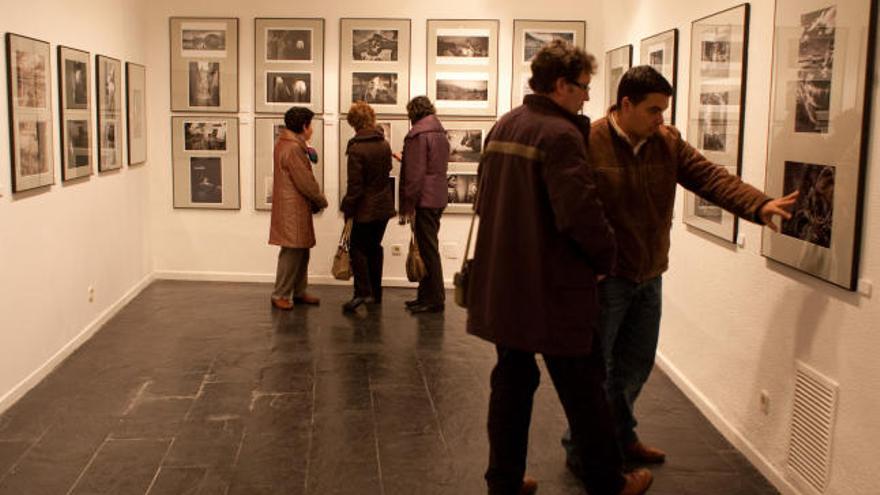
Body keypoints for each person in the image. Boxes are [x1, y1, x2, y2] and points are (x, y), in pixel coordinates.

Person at [560, 65, 798, 468]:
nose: (661, 120)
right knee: (595, 370)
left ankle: (621, 436)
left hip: (649, 273)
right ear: (626, 104)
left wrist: (758, 204)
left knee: (634, 365)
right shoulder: (588, 141)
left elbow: (710, 177)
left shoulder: (667, 143)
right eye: (654, 110)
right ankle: (585, 451)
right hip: (606, 278)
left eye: (664, 111)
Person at [467, 40, 653, 495]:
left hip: (507, 285)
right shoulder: (561, 135)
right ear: (560, 85)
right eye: (583, 87)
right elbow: (579, 214)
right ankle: (608, 481)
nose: (588, 97)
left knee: (511, 382)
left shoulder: (506, 125)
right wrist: (605, 259)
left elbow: (485, 200)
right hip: (553, 289)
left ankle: (504, 481)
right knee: (584, 390)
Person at [268, 106, 328, 310]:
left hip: (295, 206)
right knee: (292, 251)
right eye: (311, 125)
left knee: (301, 251)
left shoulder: (288, 143)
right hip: (292, 207)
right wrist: (320, 199)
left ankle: (299, 291)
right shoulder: (293, 148)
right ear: (304, 126)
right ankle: (280, 294)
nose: (312, 130)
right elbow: (304, 181)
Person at [340, 101, 396, 312]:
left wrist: (347, 208)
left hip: (364, 208)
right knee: (374, 248)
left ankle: (362, 292)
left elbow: (355, 186)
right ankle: (375, 293)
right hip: (383, 206)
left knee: (357, 248)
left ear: (354, 123)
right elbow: (388, 169)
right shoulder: (384, 143)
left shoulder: (356, 148)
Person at [397, 96, 450, 314]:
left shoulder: (417, 135)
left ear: (413, 113)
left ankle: (434, 299)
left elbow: (415, 175)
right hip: (437, 196)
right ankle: (425, 296)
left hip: (424, 199)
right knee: (428, 247)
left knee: (427, 250)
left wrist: (407, 205)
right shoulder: (440, 133)